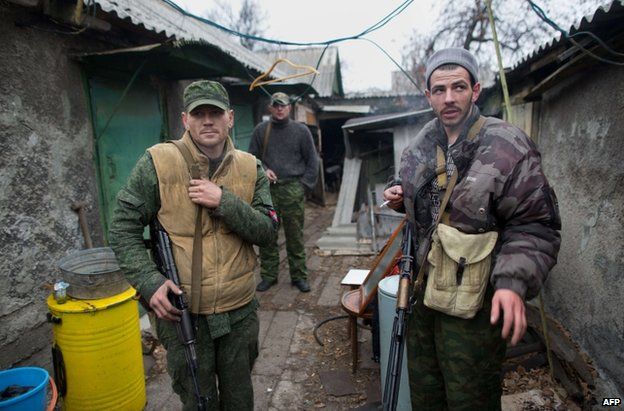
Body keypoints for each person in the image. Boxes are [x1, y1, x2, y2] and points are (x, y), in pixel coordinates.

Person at [383, 48, 561, 409]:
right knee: (426, 396)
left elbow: (535, 224)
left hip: (474, 310)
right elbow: (412, 184)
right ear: (428, 95)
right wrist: (399, 194)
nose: (449, 98)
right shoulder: (419, 145)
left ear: (476, 90)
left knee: (471, 399)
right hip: (422, 296)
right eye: (440, 89)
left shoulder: (508, 145)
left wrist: (512, 283)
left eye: (459, 87)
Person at [109, 80, 278, 411]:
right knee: (199, 401)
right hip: (184, 315)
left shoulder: (250, 166)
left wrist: (225, 202)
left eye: (215, 113)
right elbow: (122, 227)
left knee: (240, 399)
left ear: (230, 118)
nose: (208, 121)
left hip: (239, 312)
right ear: (185, 120)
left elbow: (268, 231)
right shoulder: (157, 162)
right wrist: (149, 281)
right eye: (199, 113)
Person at [248, 92, 319, 293]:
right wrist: (262, 170)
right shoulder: (261, 130)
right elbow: (250, 159)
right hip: (267, 191)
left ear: (289, 108)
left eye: (283, 105)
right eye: (276, 105)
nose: (280, 109)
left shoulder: (301, 131)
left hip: (292, 189)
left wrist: (304, 187)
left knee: (295, 236)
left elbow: (313, 161)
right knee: (267, 235)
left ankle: (299, 276)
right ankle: (269, 275)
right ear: (270, 108)